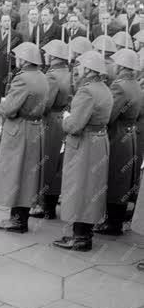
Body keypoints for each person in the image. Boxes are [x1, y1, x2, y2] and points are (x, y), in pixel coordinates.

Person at [53, 50, 113, 252]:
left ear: (88, 69)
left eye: (80, 65)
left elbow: (74, 126)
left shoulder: (86, 91)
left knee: (78, 189)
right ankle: (85, 234)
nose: (77, 69)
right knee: (91, 189)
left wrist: (65, 119)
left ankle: (79, 237)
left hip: (84, 143)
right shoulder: (104, 88)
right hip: (99, 141)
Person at [0, 42, 49, 233]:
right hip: (35, 127)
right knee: (28, 175)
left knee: (14, 173)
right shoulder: (42, 76)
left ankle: (17, 220)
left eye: (18, 56)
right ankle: (21, 218)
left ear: (25, 59)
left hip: (19, 129)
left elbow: (9, 108)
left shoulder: (22, 79)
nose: (16, 59)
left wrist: (2, 103)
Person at [94, 48, 142, 236]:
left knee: (114, 177)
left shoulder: (119, 86)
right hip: (129, 134)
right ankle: (115, 220)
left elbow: (110, 114)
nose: (113, 65)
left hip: (117, 134)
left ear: (121, 66)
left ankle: (112, 224)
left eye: (116, 63)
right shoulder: (135, 84)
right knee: (123, 179)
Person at [30, 39, 72, 220]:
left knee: (47, 163)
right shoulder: (66, 73)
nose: (45, 55)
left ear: (55, 57)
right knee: (57, 164)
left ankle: (45, 206)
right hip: (62, 117)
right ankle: (50, 205)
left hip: (50, 122)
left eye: (48, 53)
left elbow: (45, 104)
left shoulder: (52, 76)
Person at [0, 14, 20, 116]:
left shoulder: (16, 35)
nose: (7, 23)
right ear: (1, 22)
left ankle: (7, 109)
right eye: (5, 21)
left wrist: (14, 64)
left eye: (8, 21)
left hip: (9, 65)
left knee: (7, 87)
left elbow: (18, 52)